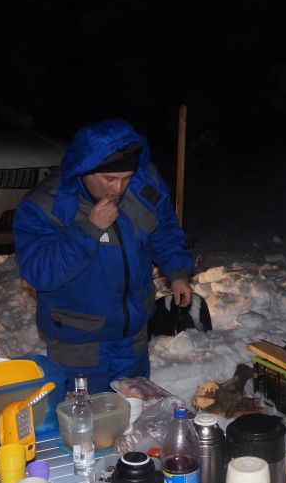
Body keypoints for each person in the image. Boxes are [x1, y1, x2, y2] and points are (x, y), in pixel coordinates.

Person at [14, 118, 194, 393]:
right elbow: (39, 272)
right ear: (84, 170)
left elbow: (164, 229)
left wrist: (177, 271)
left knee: (134, 409)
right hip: (79, 342)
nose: (118, 189)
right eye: (109, 179)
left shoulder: (144, 185)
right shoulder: (44, 206)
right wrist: (89, 230)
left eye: (126, 178)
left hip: (133, 334)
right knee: (87, 415)